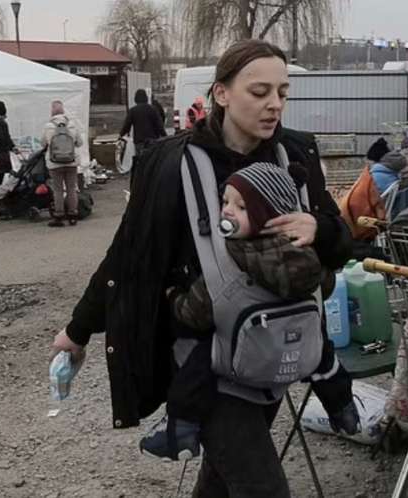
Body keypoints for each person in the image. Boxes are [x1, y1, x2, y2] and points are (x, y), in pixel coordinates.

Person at [51, 39, 356, 497]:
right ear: (221, 94)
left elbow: (339, 246)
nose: (274, 105)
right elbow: (127, 255)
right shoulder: (171, 162)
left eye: (282, 92)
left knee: (222, 477)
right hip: (202, 363)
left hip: (269, 350)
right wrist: (77, 332)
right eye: (259, 92)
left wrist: (321, 227)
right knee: (262, 487)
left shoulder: (295, 154)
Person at [140, 161, 352, 460]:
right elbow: (325, 287)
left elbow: (196, 312)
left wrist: (174, 294)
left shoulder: (230, 259)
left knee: (199, 358)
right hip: (296, 353)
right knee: (322, 347)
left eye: (240, 207)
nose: (226, 210)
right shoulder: (306, 252)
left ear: (267, 216)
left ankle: (182, 429)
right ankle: (342, 407)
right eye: (225, 201)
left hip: (243, 363)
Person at [41, 100, 84, 227]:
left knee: (58, 190)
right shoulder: (72, 125)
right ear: (63, 111)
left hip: (54, 163)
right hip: (71, 161)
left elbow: (43, 143)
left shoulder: (48, 126)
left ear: (52, 112)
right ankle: (73, 215)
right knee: (72, 188)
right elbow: (79, 143)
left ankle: (59, 216)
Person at [119, 89, 166, 155]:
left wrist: (120, 135)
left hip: (139, 141)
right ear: (146, 98)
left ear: (136, 99)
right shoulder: (153, 109)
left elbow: (126, 126)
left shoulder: (133, 111)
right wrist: (165, 136)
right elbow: (159, 126)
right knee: (152, 160)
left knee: (140, 161)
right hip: (152, 141)